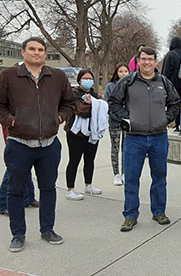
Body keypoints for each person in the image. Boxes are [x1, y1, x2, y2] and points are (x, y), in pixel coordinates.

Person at [0, 37, 76, 252]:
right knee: (15, 191)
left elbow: (69, 103)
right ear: (23, 52)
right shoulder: (9, 76)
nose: (37, 53)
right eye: (32, 49)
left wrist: (59, 118)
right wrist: (10, 120)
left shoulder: (58, 77)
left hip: (49, 145)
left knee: (48, 189)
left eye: (41, 50)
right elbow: (0, 105)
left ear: (45, 53)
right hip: (19, 144)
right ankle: (18, 234)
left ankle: (47, 230)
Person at [108, 46, 181, 232]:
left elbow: (175, 102)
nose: (147, 62)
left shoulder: (163, 82)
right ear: (138, 61)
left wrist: (166, 119)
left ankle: (159, 211)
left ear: (156, 62)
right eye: (143, 59)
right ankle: (130, 215)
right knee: (131, 178)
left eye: (150, 59)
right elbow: (113, 102)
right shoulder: (128, 82)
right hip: (134, 139)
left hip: (159, 137)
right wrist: (126, 119)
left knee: (160, 177)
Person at [64, 69, 108, 201]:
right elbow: (81, 110)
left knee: (90, 160)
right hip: (75, 133)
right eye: (85, 79)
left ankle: (88, 185)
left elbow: (104, 108)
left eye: (90, 79)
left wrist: (94, 104)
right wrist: (96, 106)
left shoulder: (95, 94)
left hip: (92, 132)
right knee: (74, 160)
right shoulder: (73, 94)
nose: (88, 81)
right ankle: (70, 189)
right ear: (79, 80)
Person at [0, 125, 39, 216]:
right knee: (13, 169)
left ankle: (28, 198)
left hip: (28, 132)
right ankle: (2, 204)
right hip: (14, 132)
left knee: (26, 165)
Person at [162, 37, 181, 130]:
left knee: (175, 104)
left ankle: (176, 123)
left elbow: (166, 71)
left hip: (173, 84)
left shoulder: (170, 55)